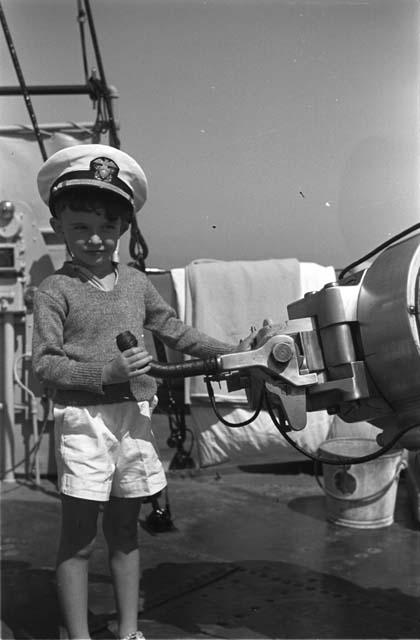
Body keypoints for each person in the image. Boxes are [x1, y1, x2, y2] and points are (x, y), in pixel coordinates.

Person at [32, 144, 253, 640]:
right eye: (81, 227)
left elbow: (173, 328)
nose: (95, 239)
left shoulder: (134, 283)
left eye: (107, 228)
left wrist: (233, 353)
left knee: (125, 533)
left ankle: (129, 631)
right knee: (78, 540)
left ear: (123, 230)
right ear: (59, 226)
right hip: (84, 422)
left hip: (133, 418)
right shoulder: (53, 291)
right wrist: (105, 371)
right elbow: (44, 363)